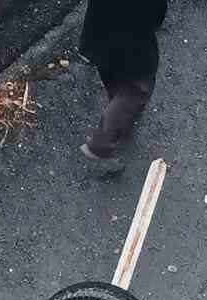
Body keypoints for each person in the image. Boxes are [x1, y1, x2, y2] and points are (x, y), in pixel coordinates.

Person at [79, 0, 168, 177]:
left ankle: (118, 106)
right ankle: (100, 147)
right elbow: (156, 13)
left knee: (112, 75)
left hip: (98, 34)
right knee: (136, 90)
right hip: (132, 45)